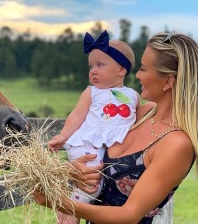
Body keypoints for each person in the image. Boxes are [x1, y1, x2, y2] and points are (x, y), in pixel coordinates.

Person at [35, 31, 197, 224]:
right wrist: (72, 170)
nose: (136, 75)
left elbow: (129, 215)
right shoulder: (141, 114)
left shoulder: (177, 144)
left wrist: (59, 202)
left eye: (144, 69)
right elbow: (94, 147)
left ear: (168, 81)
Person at [48, 30, 140, 224]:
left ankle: (69, 207)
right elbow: (77, 115)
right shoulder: (92, 92)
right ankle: (68, 215)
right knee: (92, 183)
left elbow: (138, 122)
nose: (93, 71)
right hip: (87, 142)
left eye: (100, 65)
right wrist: (63, 137)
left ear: (122, 69)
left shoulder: (133, 96)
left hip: (107, 148)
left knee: (100, 185)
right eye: (91, 66)